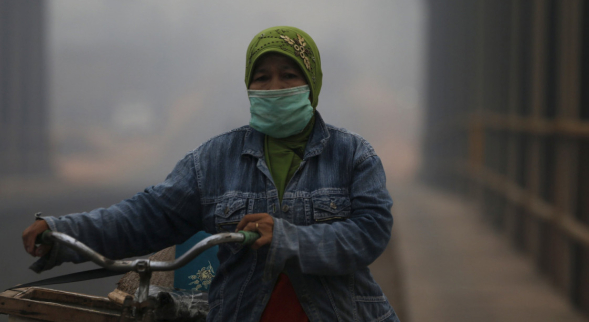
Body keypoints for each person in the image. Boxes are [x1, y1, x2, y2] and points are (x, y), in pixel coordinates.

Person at [22, 26, 398, 322]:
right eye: (262, 78)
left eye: (288, 75)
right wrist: (64, 232)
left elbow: (370, 232)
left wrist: (286, 239)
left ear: (312, 84)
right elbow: (148, 215)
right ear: (249, 86)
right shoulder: (214, 159)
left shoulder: (352, 155)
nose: (274, 87)